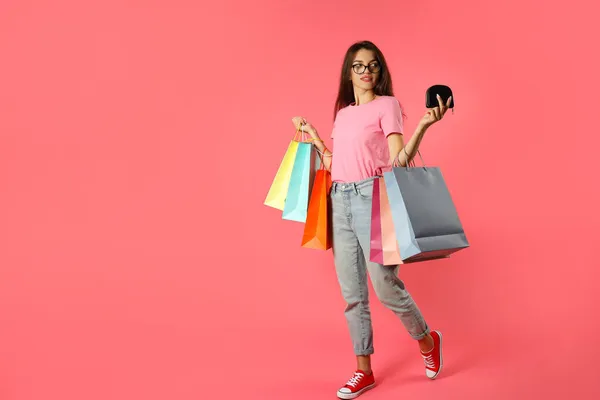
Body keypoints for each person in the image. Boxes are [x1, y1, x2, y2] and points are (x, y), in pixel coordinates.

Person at [291, 40, 452, 399]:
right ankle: (363, 370)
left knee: (384, 286)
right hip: (339, 200)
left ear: (380, 72)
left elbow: (398, 160)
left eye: (373, 65)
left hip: (373, 198)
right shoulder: (344, 113)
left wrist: (424, 125)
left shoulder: (387, 105)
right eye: (359, 66)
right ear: (349, 72)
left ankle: (427, 340)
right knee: (352, 294)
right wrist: (315, 137)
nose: (366, 71)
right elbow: (336, 164)